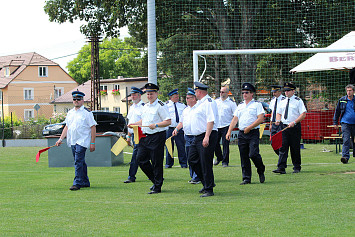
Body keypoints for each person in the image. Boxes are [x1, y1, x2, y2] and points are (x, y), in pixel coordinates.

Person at [128, 83, 171, 194]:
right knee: (140, 159)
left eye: (151, 94)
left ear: (156, 93)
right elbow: (144, 121)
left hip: (157, 136)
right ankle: (155, 180)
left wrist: (156, 125)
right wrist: (134, 124)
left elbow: (168, 121)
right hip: (145, 136)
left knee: (156, 161)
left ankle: (157, 186)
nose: (149, 96)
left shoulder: (160, 105)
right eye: (147, 94)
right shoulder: (146, 106)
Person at [55, 91, 97, 191]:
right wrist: (60, 139)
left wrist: (92, 142)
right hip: (73, 140)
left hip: (82, 141)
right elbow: (67, 127)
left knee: (78, 161)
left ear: (83, 100)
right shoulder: (70, 113)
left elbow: (93, 127)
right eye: (75, 99)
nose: (76, 101)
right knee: (80, 162)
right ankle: (85, 181)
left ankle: (77, 182)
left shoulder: (87, 113)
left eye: (78, 99)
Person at [226, 83, 266, 185]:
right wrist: (229, 131)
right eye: (243, 92)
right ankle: (246, 178)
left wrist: (250, 127)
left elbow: (261, 118)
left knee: (253, 154)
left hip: (252, 132)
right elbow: (235, 119)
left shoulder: (257, 104)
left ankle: (260, 169)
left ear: (252, 93)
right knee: (243, 156)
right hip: (242, 133)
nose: (244, 94)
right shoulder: (240, 105)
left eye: (247, 92)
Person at [188, 81, 219, 197]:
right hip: (197, 136)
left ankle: (209, 189)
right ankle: (206, 182)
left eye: (195, 91)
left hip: (206, 135)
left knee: (205, 162)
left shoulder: (208, 102)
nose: (195, 93)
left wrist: (206, 137)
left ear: (199, 91)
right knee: (192, 159)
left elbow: (210, 120)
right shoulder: (200, 103)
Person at [273, 82, 307, 174]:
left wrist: (294, 122)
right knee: (283, 147)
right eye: (285, 91)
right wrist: (278, 120)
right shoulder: (282, 101)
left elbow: (303, 114)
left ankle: (296, 167)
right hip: (284, 126)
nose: (286, 93)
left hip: (294, 127)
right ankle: (281, 167)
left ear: (293, 91)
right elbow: (278, 113)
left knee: (294, 147)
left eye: (288, 91)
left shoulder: (298, 101)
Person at [172, 88, 200, 184]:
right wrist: (176, 129)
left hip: (196, 136)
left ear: (194, 98)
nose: (187, 100)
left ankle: (197, 176)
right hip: (187, 136)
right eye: (187, 98)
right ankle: (193, 176)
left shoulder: (199, 108)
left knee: (196, 157)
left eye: (189, 98)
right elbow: (182, 122)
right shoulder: (185, 110)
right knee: (189, 157)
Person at [123, 87, 145, 183]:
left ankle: (131, 176)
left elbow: (144, 121)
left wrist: (134, 125)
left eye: (134, 95)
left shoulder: (144, 107)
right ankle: (153, 174)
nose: (132, 96)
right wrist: (128, 136)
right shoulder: (132, 107)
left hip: (141, 134)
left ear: (139, 95)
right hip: (133, 134)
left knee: (136, 155)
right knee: (144, 156)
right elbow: (130, 123)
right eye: (132, 95)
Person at [214, 86, 237, 167]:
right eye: (220, 91)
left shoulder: (231, 103)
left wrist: (231, 127)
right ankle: (219, 157)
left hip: (226, 125)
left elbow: (235, 115)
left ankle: (225, 161)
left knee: (225, 144)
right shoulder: (216, 101)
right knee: (214, 143)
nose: (221, 93)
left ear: (227, 93)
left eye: (223, 92)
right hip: (217, 125)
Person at [165, 89, 187, 168]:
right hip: (169, 128)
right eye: (175, 96)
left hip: (179, 128)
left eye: (178, 96)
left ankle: (183, 163)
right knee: (169, 146)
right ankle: (168, 163)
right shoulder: (166, 105)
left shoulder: (182, 105)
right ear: (171, 97)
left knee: (181, 146)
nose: (177, 97)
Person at [333, 84, 355, 164]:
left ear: (353, 91)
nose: (348, 92)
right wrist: (335, 122)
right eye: (347, 90)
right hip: (345, 123)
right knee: (346, 140)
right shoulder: (342, 100)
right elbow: (337, 112)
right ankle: (345, 157)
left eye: (350, 90)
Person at [269, 85, 285, 155]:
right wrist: (270, 124)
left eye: (275, 92)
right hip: (274, 123)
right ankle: (281, 155)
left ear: (279, 92)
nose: (273, 94)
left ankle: (282, 157)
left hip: (281, 123)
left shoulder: (284, 100)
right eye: (273, 92)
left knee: (281, 142)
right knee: (273, 142)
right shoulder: (273, 100)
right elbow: (272, 112)